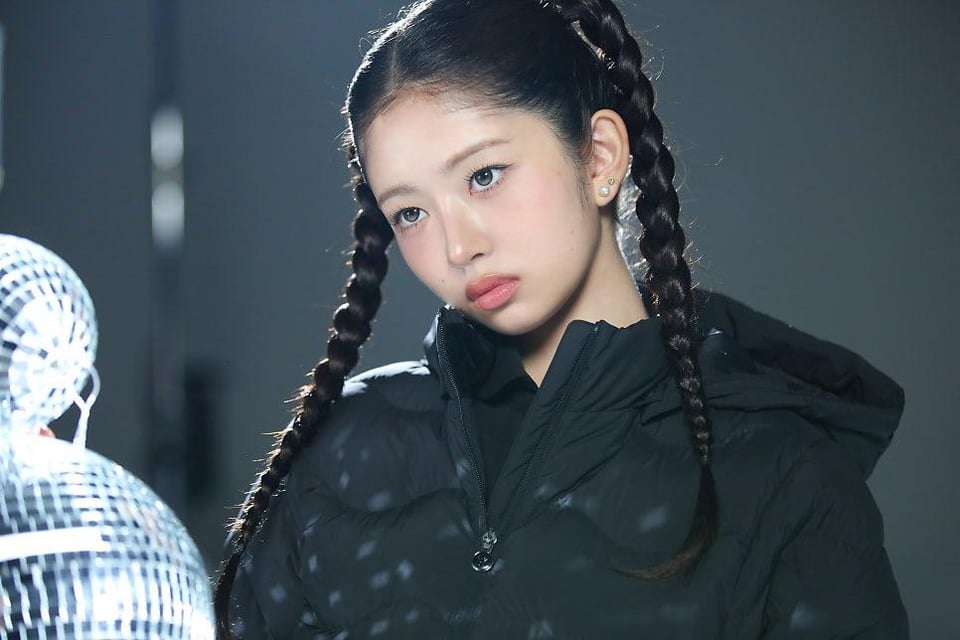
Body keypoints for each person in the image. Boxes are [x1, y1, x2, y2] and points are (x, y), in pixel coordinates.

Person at [213, 0, 908, 637]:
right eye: (411, 212)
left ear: (600, 156)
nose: (458, 247)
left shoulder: (782, 474)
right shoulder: (338, 457)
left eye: (484, 175)